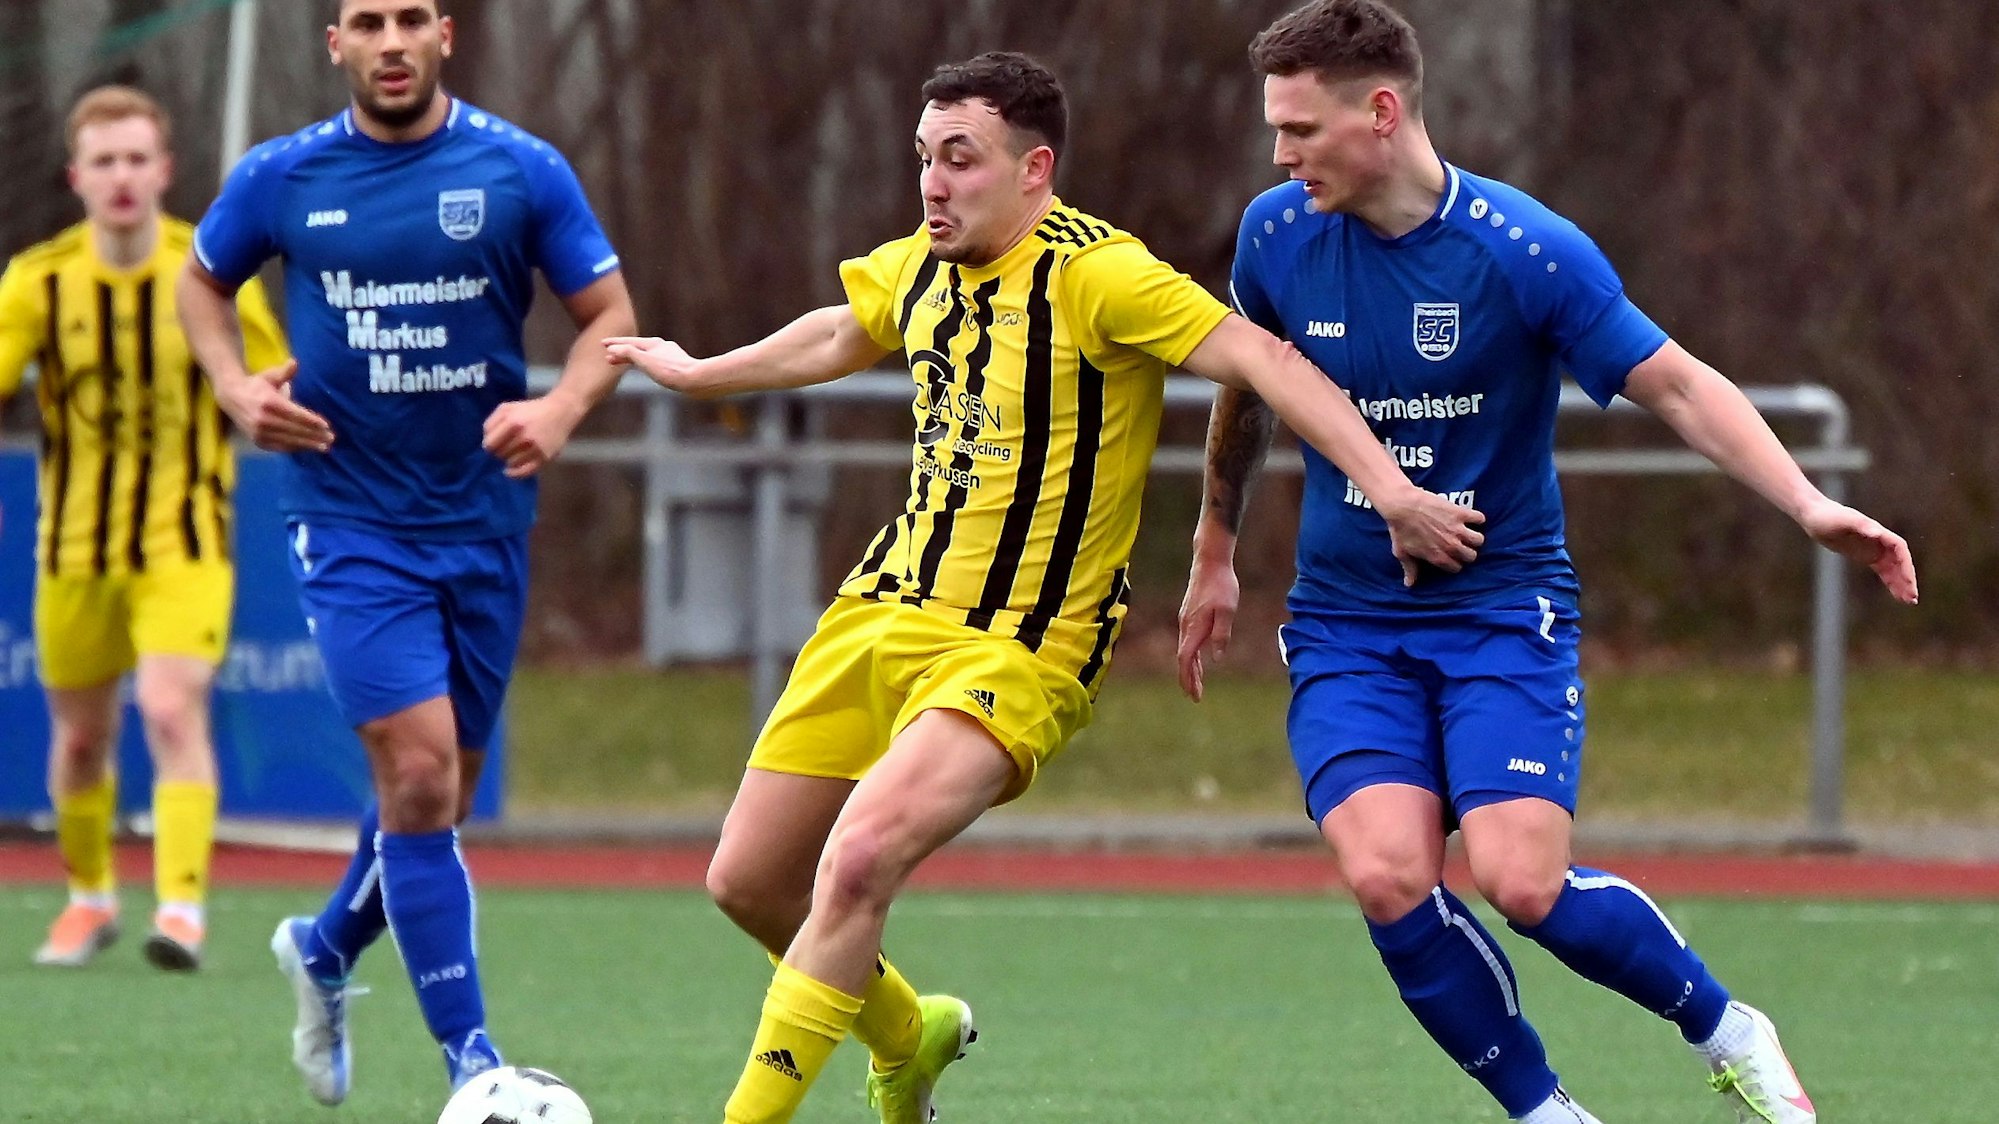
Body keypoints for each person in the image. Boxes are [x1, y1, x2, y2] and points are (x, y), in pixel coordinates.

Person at [606, 50, 1484, 1124]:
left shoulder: (1099, 274)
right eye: (924, 158)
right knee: (748, 882)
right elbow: (844, 326)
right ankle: (908, 1030)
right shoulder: (924, 261)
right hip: (879, 611)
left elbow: (1270, 361)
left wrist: (1387, 487)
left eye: (960, 159)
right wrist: (702, 371)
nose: (933, 182)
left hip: (1017, 646)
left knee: (861, 855)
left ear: (1034, 169)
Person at [1175, 3, 1919, 1123]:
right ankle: (1545, 1110)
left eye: (1300, 128)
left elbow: (1675, 383)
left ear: (1380, 112)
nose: (1280, 154)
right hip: (1346, 623)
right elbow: (1250, 383)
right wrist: (1215, 548)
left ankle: (1725, 1025)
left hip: (1500, 615)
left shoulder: (1524, 250)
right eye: (1274, 129)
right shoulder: (1277, 235)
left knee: (1522, 884)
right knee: (1388, 874)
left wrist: (1811, 504)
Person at [176, 0, 634, 1104]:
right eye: (367, 21)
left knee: (439, 796)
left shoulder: (519, 170)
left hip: (482, 522)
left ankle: (328, 944)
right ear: (334, 42)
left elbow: (608, 312)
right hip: (347, 518)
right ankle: (472, 1065)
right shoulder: (281, 177)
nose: (391, 40)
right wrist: (235, 385)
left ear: (446, 35)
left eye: (411, 18)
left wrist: (562, 410)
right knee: (419, 773)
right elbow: (200, 285)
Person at [0, 85, 289, 973]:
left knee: (169, 707)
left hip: (185, 541)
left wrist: (279, 402)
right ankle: (89, 900)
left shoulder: (205, 272)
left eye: (137, 160)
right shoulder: (37, 281)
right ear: (76, 176)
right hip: (73, 548)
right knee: (82, 739)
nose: (122, 177)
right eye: (105, 161)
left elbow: (273, 379)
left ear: (163, 171)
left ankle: (183, 910)